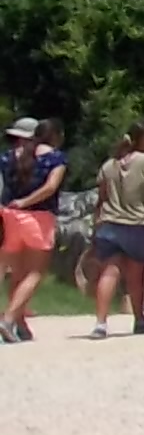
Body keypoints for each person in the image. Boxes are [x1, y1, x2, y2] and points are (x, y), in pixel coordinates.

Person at [89, 123, 144, 339]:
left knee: (109, 273)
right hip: (137, 224)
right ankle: (139, 319)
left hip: (109, 223)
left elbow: (101, 198)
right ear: (141, 140)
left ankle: (101, 323)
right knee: (135, 276)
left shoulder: (108, 165)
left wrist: (96, 226)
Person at [1, 117, 67, 343]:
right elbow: (50, 187)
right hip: (38, 218)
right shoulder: (55, 158)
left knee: (17, 273)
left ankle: (20, 324)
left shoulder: (11, 156)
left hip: (9, 217)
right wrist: (26, 201)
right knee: (35, 272)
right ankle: (9, 319)